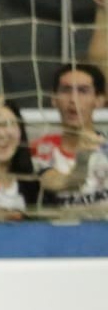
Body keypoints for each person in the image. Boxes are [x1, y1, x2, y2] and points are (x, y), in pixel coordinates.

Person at [31, 62, 107, 209]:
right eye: (66, 90)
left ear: (99, 101)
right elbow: (58, 184)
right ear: (54, 99)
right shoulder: (39, 149)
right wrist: (83, 160)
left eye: (83, 91)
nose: (73, 100)